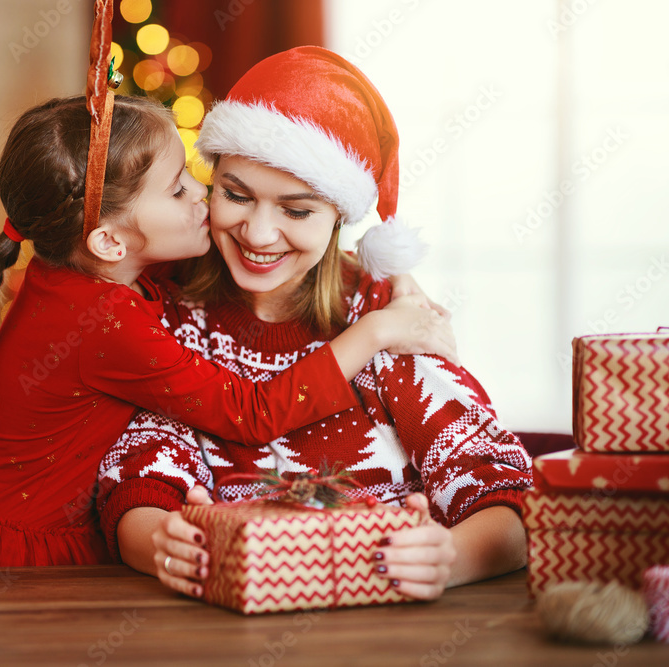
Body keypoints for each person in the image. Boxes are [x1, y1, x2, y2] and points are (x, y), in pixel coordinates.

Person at [0, 94, 456, 569]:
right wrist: (377, 330)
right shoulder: (104, 320)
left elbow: (277, 250)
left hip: (2, 531)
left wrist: (389, 269)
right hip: (24, 559)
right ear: (109, 242)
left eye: (195, 175)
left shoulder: (97, 269)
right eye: (177, 190)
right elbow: (250, 413)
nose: (203, 197)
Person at [96, 47, 533, 601]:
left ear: (338, 218)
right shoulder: (172, 311)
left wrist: (452, 560)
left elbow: (507, 494)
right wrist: (157, 540)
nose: (258, 234)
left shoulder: (387, 317)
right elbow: (138, 478)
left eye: (297, 211)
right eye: (236, 195)